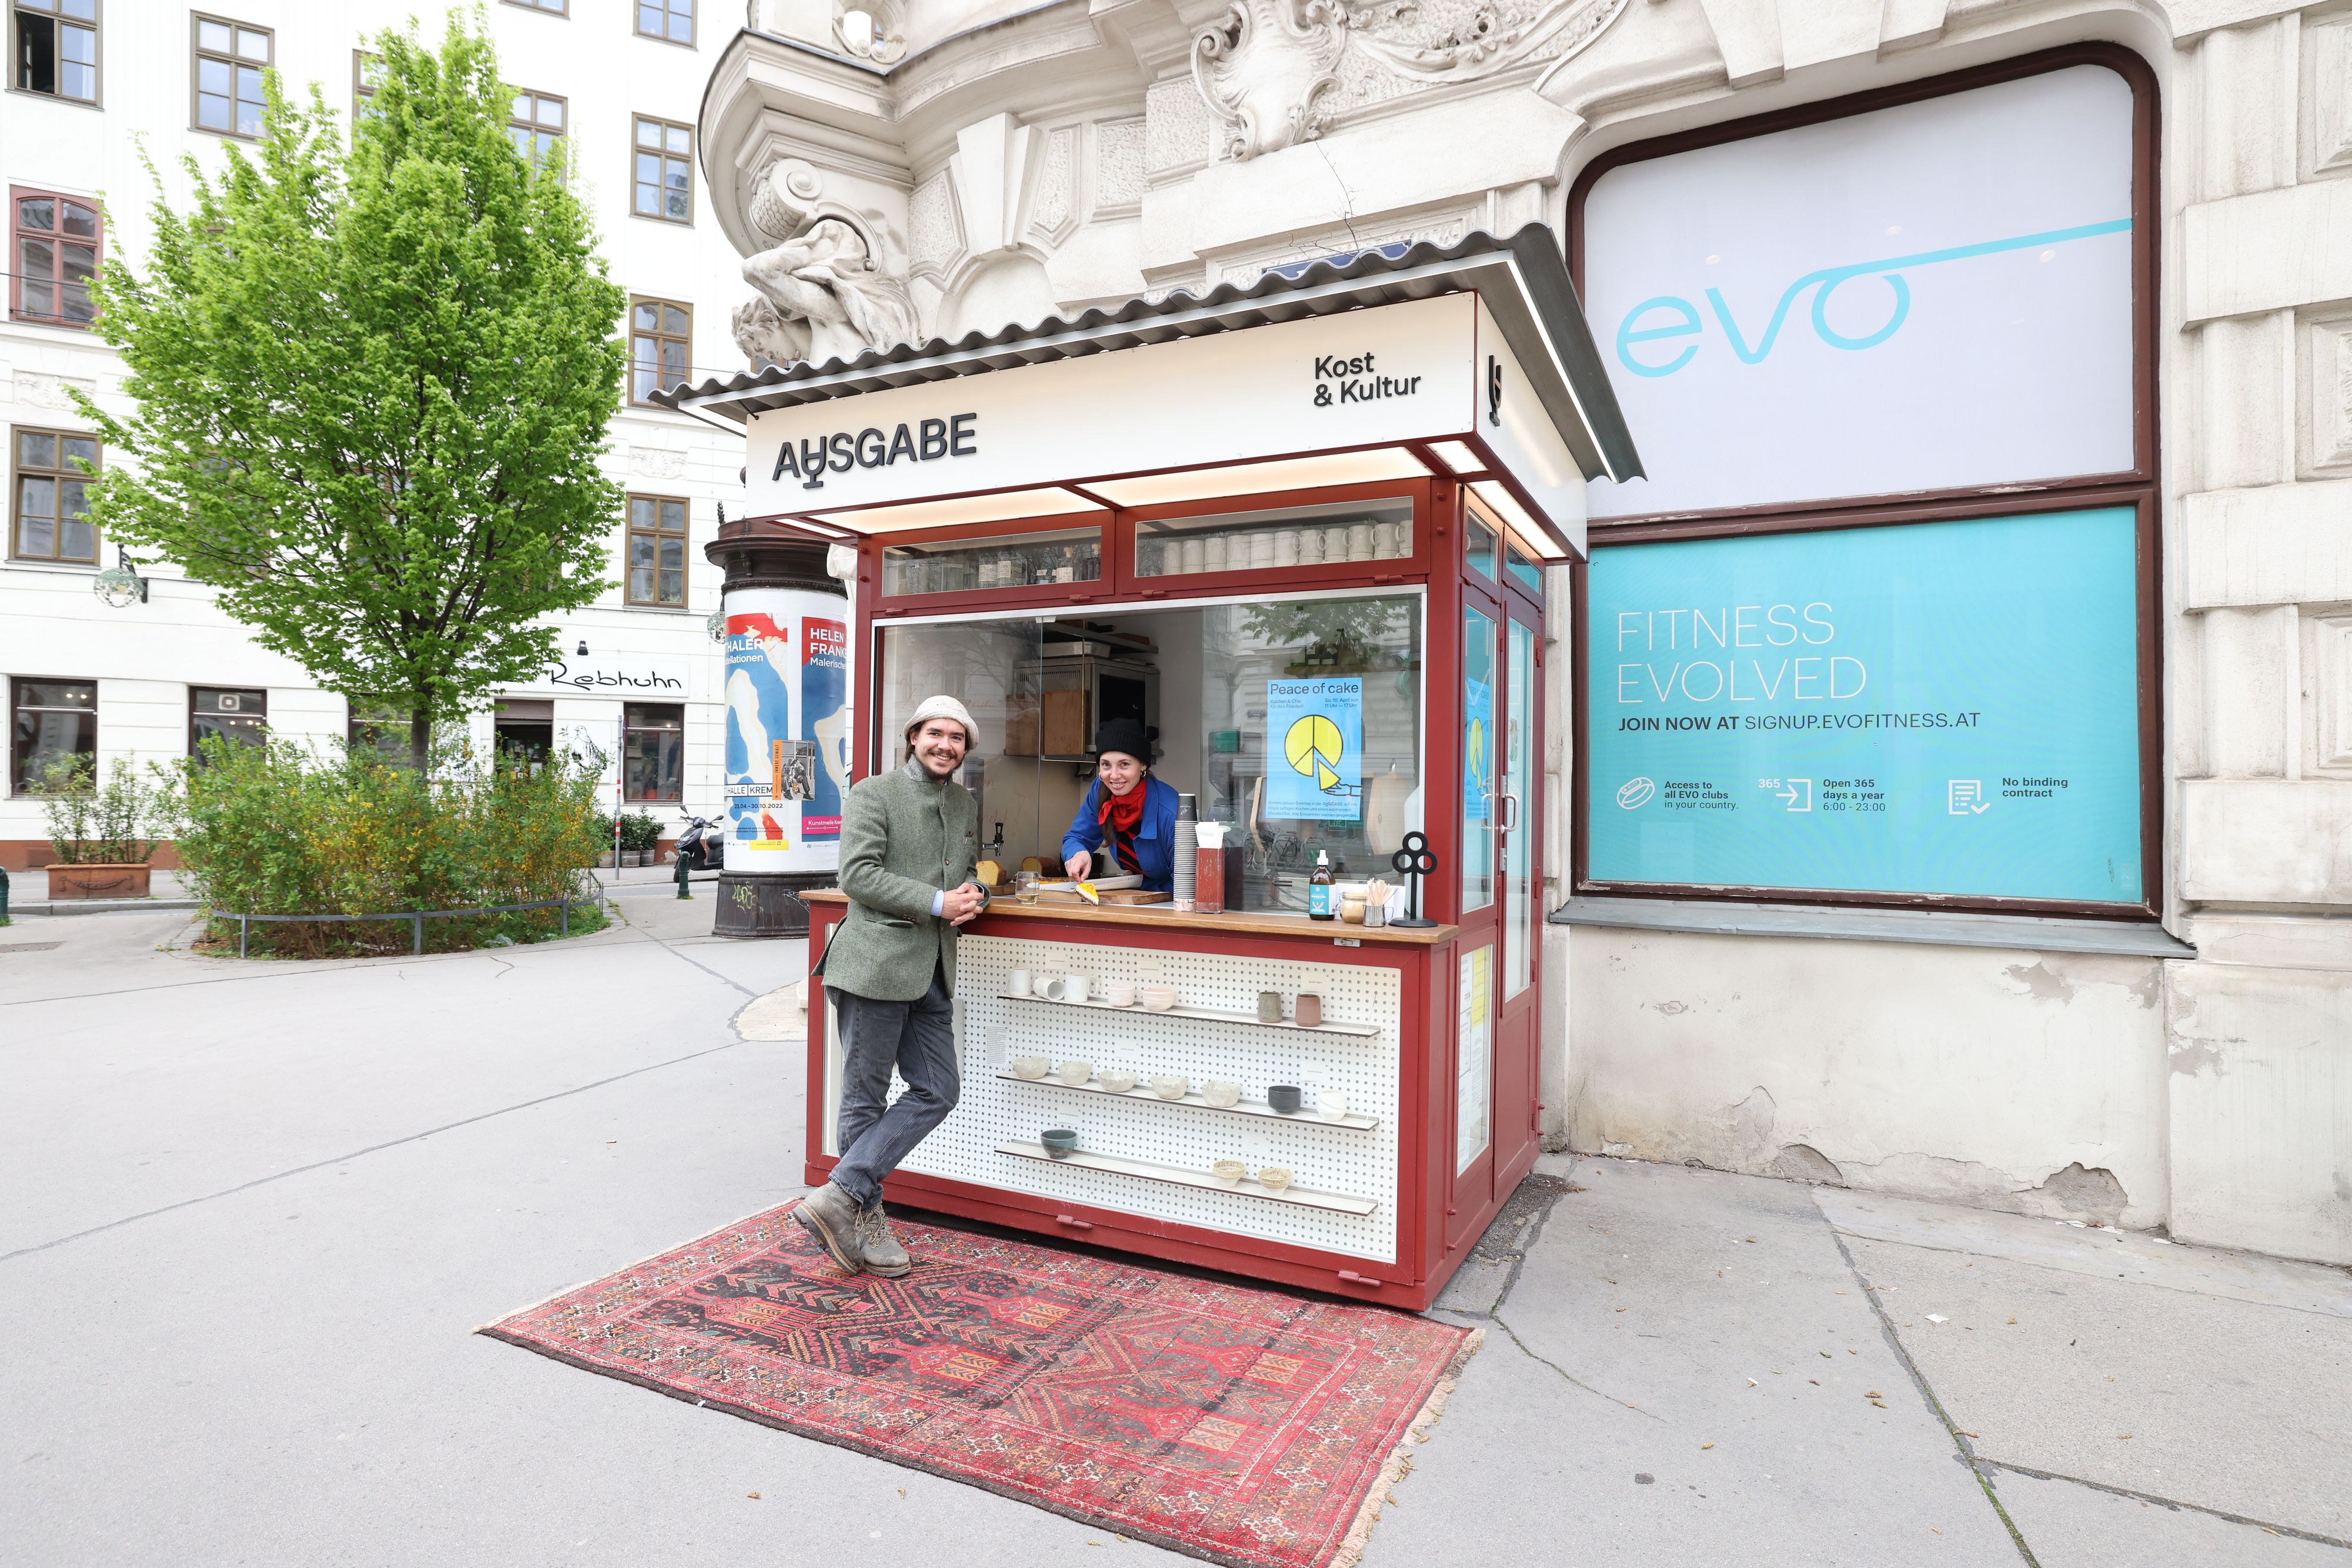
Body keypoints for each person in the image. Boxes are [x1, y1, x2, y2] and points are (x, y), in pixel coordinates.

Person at [798, 695, 986, 1277]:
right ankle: (863, 1220)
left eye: (956, 738)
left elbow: (968, 869)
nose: (945, 745)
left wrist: (975, 894)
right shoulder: (872, 793)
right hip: (875, 964)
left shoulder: (964, 803)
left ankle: (841, 1193)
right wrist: (934, 901)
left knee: (937, 1089)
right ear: (913, 737)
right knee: (864, 1097)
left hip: (933, 967)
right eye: (936, 733)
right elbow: (856, 874)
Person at [1060, 717, 1180, 894]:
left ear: (1143, 765)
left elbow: (1188, 883)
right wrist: (1079, 853)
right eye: (1106, 765)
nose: (1114, 776)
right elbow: (1076, 838)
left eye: (1124, 764)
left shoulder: (1171, 811)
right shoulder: (1100, 791)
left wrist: (1135, 885)